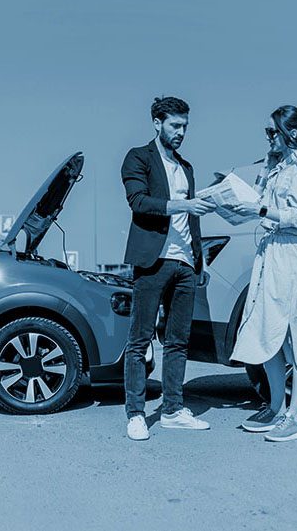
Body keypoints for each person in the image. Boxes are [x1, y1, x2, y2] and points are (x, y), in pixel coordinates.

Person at [230, 105, 297, 442]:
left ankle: (296, 416)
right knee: (268, 329)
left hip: (292, 254)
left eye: (272, 132)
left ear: (290, 132)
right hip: (271, 253)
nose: (268, 138)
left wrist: (261, 208)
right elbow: (265, 202)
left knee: (295, 330)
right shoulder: (279, 167)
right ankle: (277, 405)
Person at [121, 96, 216, 441]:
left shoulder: (186, 167)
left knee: (178, 341)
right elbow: (139, 202)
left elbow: (192, 218)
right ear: (157, 123)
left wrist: (199, 260)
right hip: (152, 261)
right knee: (139, 340)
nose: (181, 133)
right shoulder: (138, 157)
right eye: (175, 125)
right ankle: (135, 413)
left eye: (185, 127)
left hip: (185, 264)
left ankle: (174, 408)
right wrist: (184, 203)